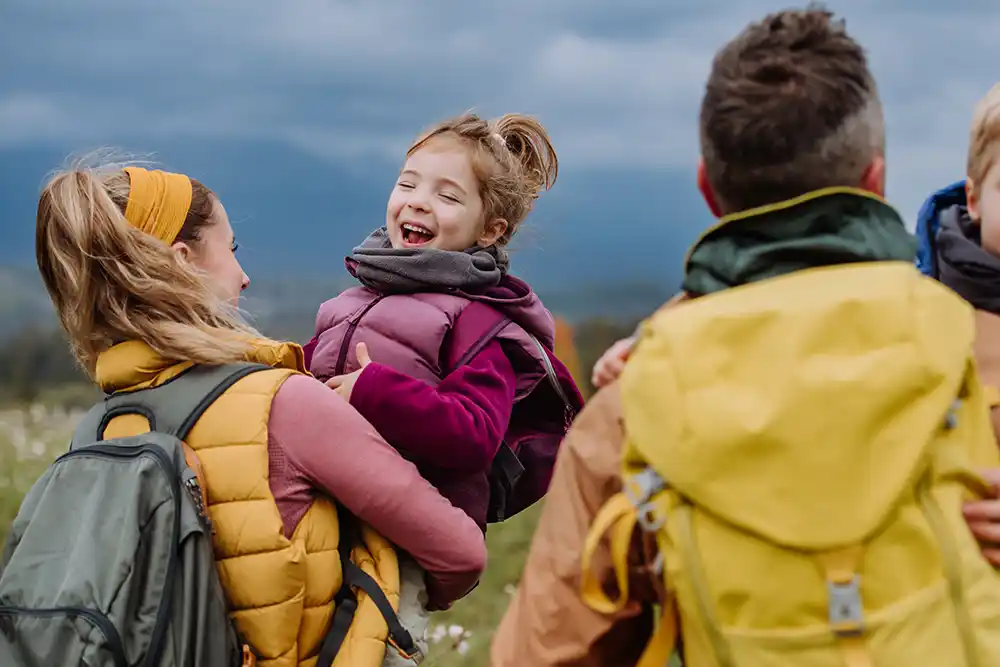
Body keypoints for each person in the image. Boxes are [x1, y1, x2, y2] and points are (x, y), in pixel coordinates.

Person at [491, 7, 1000, 666]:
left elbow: (546, 651)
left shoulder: (633, 407)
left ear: (708, 190)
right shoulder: (966, 352)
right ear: (875, 179)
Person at [32, 160, 487, 667]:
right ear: (183, 262)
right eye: (231, 249)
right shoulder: (284, 402)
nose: (244, 277)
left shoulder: (95, 430)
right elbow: (460, 552)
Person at [305, 112, 585, 664]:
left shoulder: (480, 322)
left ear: (489, 230)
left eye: (447, 195)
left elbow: (476, 434)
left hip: (404, 535)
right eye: (407, 183)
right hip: (322, 517)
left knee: (377, 652)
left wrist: (374, 392)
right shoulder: (351, 301)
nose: (416, 201)